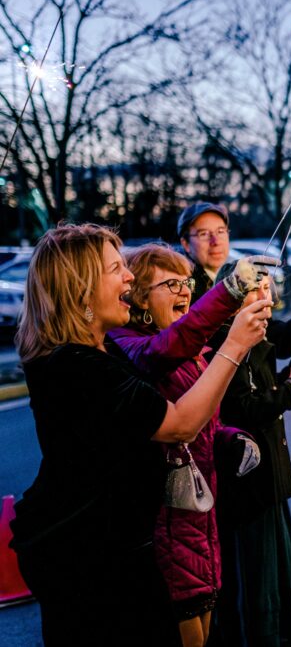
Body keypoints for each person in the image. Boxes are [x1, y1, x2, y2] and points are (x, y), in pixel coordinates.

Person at [10, 223, 270, 645]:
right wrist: (235, 345)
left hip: (114, 545)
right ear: (81, 289)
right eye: (116, 269)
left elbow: (182, 365)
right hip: (89, 556)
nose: (129, 276)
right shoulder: (77, 367)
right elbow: (180, 423)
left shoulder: (100, 352)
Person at [109, 245, 271, 647]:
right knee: (184, 630)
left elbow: (202, 420)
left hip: (199, 512)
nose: (184, 291)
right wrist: (230, 292)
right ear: (140, 298)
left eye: (186, 282)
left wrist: (230, 438)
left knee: (205, 621)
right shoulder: (133, 347)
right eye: (170, 284)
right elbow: (167, 350)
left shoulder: (191, 354)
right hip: (165, 514)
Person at [210, 264, 291, 647]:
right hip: (250, 482)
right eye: (257, 291)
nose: (268, 300)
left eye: (268, 291)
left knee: (278, 572)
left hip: (270, 479)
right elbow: (244, 408)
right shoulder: (227, 345)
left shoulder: (254, 341)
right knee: (257, 578)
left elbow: (265, 388)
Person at [178, 201, 231, 300]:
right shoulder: (183, 290)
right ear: (186, 244)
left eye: (220, 231)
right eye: (204, 234)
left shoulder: (230, 277)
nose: (215, 241)